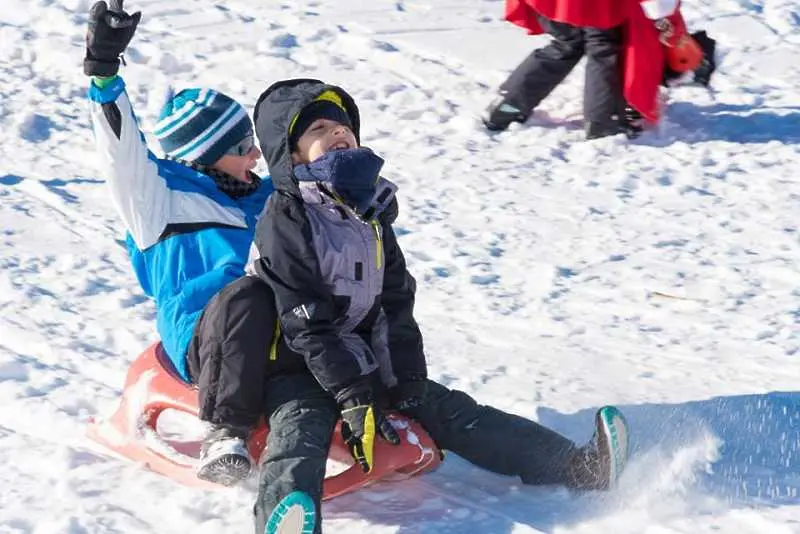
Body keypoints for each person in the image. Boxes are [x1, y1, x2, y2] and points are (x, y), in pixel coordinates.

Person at [249, 78, 631, 534]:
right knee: (300, 428)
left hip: (359, 357)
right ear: (291, 156)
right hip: (293, 362)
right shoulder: (286, 217)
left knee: (453, 411)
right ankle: (285, 518)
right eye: (319, 130)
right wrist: (351, 398)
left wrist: (406, 379)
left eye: (342, 125)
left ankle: (579, 466)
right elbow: (303, 320)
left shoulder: (368, 209)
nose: (337, 133)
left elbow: (395, 301)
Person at [84, 0, 275, 486]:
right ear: (205, 159)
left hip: (276, 327)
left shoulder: (263, 194)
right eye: (240, 148)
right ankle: (223, 433)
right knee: (245, 296)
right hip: (203, 335)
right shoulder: (160, 199)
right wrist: (104, 74)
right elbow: (120, 154)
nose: (255, 153)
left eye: (251, 140)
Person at [485, 0, 714, 139]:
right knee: (604, 50)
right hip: (597, 6)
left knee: (566, 44)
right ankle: (604, 123)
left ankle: (509, 105)